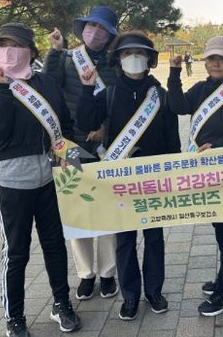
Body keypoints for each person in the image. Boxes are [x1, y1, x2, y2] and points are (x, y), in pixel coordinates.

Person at [0, 23, 81, 337]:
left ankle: (61, 303)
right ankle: (15, 318)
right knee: (16, 252)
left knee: (55, 245)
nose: (9, 52)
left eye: (17, 45)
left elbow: (64, 126)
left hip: (49, 178)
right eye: (3, 45)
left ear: (31, 52)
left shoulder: (46, 83)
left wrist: (73, 162)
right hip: (10, 182)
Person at [76, 31, 180, 321]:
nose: (133, 58)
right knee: (124, 240)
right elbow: (85, 122)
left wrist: (173, 172)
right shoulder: (108, 94)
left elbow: (172, 138)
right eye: (126, 53)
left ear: (149, 59)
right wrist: (86, 89)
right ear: (118, 60)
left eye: (140, 53)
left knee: (154, 237)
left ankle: (154, 291)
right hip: (119, 181)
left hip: (153, 178)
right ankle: (130, 295)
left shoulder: (160, 95)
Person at [168, 35, 223, 317]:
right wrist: (174, 73)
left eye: (222, 58)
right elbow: (178, 106)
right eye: (211, 58)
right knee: (221, 229)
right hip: (210, 172)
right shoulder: (202, 88)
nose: (216, 63)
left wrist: (216, 146)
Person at [43, 6, 120, 301]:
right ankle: (86, 274)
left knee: (109, 209)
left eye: (102, 29)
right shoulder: (66, 59)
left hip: (107, 146)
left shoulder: (114, 64)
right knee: (77, 208)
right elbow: (49, 89)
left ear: (110, 35)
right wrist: (54, 50)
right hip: (71, 146)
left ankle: (108, 273)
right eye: (91, 26)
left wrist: (105, 128)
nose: (95, 32)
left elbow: (118, 104)